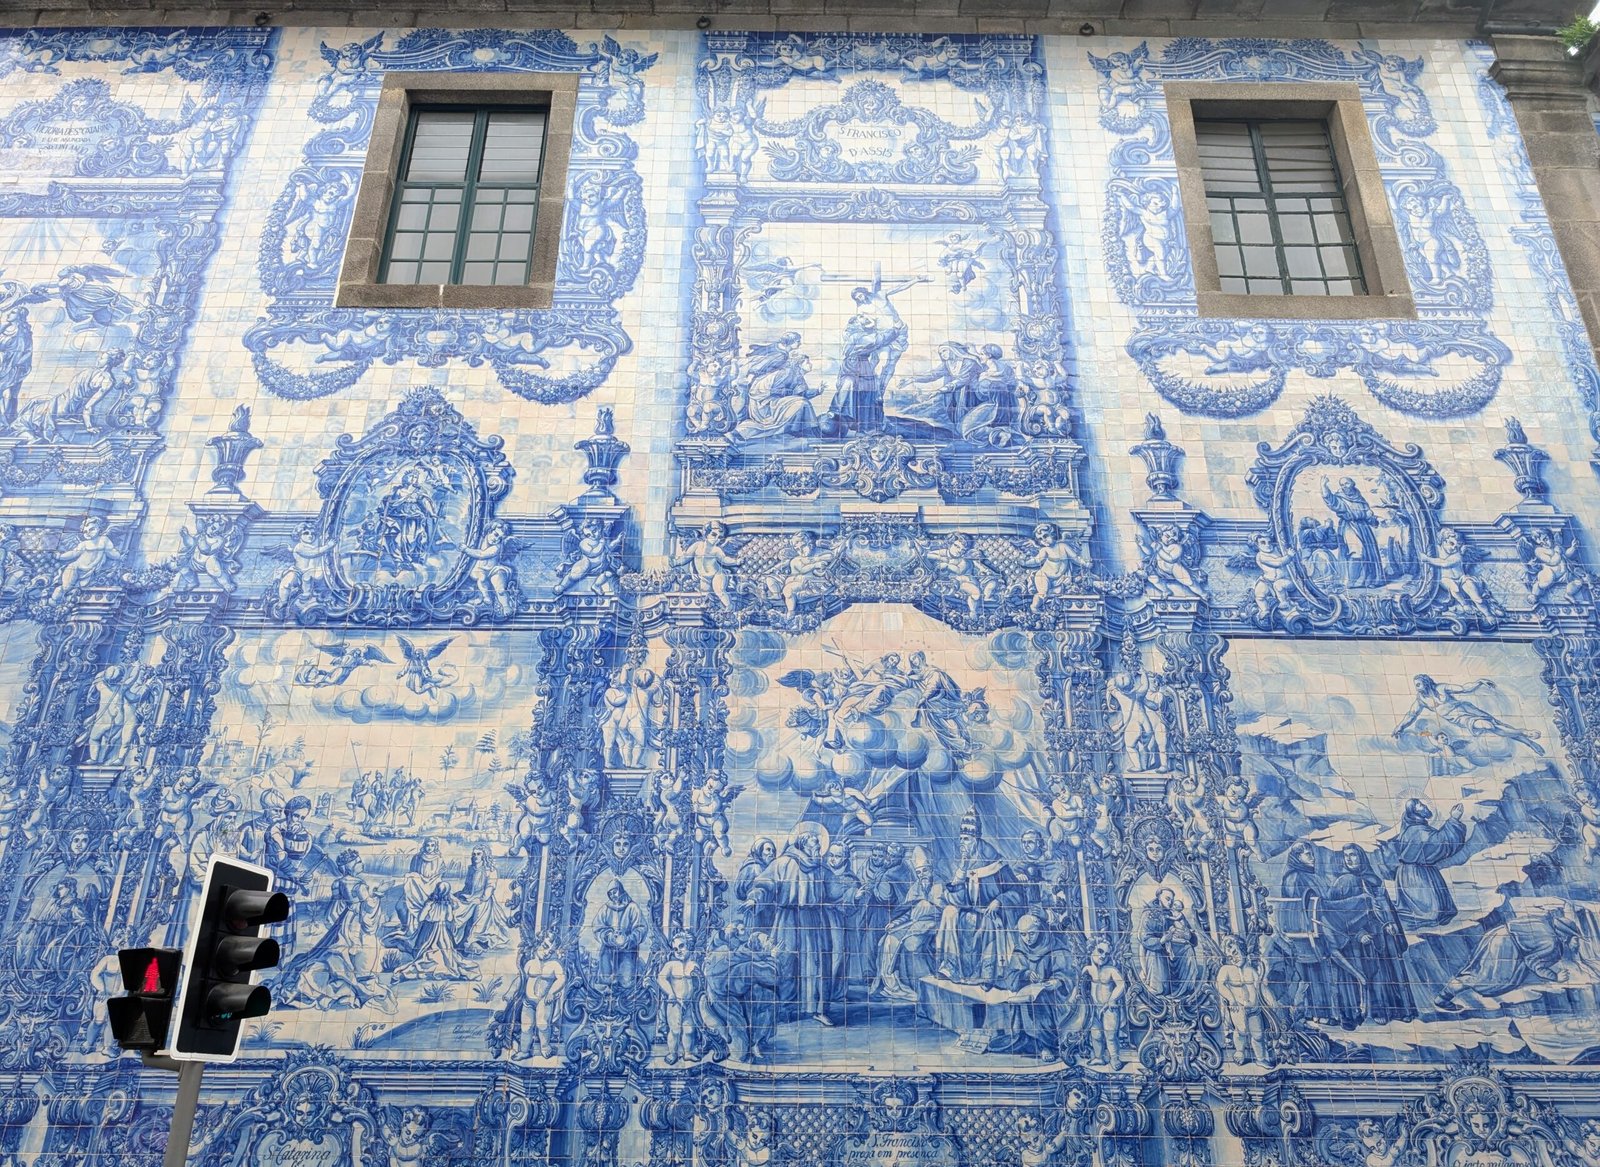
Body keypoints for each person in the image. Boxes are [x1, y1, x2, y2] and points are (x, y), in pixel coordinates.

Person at [747, 828, 837, 1024]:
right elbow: (764, 883)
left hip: (814, 919)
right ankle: (785, 1008)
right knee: (785, 961)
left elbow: (835, 889)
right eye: (814, 843)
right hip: (787, 918)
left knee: (817, 963)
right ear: (803, 844)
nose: (819, 847)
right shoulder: (784, 863)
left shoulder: (820, 868)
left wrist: (853, 895)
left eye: (818, 843)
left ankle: (817, 1009)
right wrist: (755, 899)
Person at [1323, 843, 1415, 1023]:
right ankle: (1379, 1012)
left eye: (1353, 855)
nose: (1349, 859)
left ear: (1361, 857)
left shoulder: (1374, 879)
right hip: (1359, 939)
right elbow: (1336, 915)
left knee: (1393, 971)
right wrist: (1358, 933)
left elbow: (1385, 906)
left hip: (1383, 933)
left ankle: (1402, 1010)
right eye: (1346, 856)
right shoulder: (1343, 882)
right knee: (1375, 973)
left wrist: (1390, 923)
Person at [935, 811, 1023, 985]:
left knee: (986, 924)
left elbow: (1017, 892)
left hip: (992, 914)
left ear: (976, 840)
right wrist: (962, 866)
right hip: (970, 912)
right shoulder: (966, 863)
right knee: (949, 912)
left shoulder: (996, 865)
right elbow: (958, 898)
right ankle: (951, 967)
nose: (962, 842)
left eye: (966, 839)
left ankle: (987, 974)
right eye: (961, 838)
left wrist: (999, 901)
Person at [1434, 904, 1583, 1009]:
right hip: (1505, 947)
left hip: (1496, 934)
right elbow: (1534, 963)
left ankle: (1443, 997)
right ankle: (1442, 999)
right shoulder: (1551, 943)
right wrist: (1555, 977)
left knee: (1474, 972)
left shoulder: (1543, 922)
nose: (1576, 943)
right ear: (1565, 936)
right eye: (1575, 938)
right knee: (1483, 980)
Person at [984, 914, 1076, 1060]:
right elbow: (1010, 976)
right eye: (1023, 934)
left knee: (1041, 999)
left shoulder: (1055, 946)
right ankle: (1030, 1040)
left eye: (1031, 933)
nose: (1028, 938)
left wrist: (1057, 981)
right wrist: (1025, 974)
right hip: (1026, 994)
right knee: (1019, 999)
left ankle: (1047, 1044)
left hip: (1053, 996)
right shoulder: (1020, 950)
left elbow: (1069, 973)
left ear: (1039, 929)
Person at [390, 839, 477, 981]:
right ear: (424, 846)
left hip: (432, 906)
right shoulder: (417, 858)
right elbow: (413, 873)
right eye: (428, 845)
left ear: (435, 847)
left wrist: (431, 903)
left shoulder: (438, 860)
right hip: (421, 890)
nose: (430, 848)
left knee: (433, 948)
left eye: (432, 845)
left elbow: (437, 880)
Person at [1379, 798, 1468, 928]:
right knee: (1431, 913)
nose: (1424, 806)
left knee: (1442, 911)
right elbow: (1439, 843)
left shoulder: (1417, 827)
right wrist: (1453, 820)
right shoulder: (1416, 831)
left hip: (1420, 871)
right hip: (1415, 876)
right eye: (1420, 805)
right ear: (1414, 812)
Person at [1215, 935, 1271, 1064]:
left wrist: (1269, 1000)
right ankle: (1240, 1051)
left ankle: (1261, 1059)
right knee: (1241, 1031)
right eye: (1230, 957)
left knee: (1258, 1035)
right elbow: (1220, 985)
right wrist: (1231, 998)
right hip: (1237, 1007)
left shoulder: (1251, 971)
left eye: (1235, 953)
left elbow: (1261, 988)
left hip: (1254, 1008)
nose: (1234, 958)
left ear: (1243, 950)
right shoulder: (1226, 970)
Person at [1322, 477, 1383, 587]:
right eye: (1342, 484)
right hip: (1349, 526)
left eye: (1346, 483)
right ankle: (1351, 581)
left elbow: (1368, 514)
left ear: (1352, 484)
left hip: (1363, 528)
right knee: (1356, 551)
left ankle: (1367, 580)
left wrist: (1372, 518)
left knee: (1367, 553)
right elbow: (1330, 500)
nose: (1344, 486)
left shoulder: (1359, 498)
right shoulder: (1340, 497)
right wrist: (1324, 486)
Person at [1137, 887, 1199, 995]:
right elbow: (1144, 938)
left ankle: (1186, 988)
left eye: (1171, 900)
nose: (1170, 902)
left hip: (1173, 946)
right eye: (1167, 899)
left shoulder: (1173, 913)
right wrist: (1162, 940)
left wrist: (1189, 936)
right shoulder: (1149, 913)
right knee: (1161, 987)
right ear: (1159, 897)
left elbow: (1188, 931)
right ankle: (1157, 988)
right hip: (1157, 949)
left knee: (1188, 949)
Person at [517, 934, 567, 1059]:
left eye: (550, 951)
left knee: (542, 1024)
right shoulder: (529, 964)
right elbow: (522, 980)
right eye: (544, 946)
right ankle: (524, 1051)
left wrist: (551, 992)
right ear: (537, 944)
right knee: (526, 1026)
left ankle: (545, 1047)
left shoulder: (554, 965)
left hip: (544, 1000)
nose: (546, 953)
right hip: (528, 1001)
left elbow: (561, 979)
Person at [657, 933, 704, 1064]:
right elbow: (661, 978)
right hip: (674, 1002)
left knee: (689, 1029)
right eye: (675, 949)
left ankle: (687, 1053)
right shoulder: (671, 964)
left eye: (681, 946)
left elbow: (699, 983)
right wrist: (670, 993)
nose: (678, 951)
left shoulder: (694, 965)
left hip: (690, 1004)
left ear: (689, 945)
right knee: (675, 1030)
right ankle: (673, 1053)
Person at [592, 880, 647, 987]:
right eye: (610, 894)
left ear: (621, 890)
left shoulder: (632, 907)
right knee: (606, 980)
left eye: (615, 892)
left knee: (626, 982)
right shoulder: (605, 908)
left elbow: (641, 927)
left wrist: (629, 939)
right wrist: (608, 937)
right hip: (608, 950)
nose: (613, 896)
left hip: (627, 949)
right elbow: (597, 927)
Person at [1083, 939, 1125, 1067]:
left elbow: (1121, 984)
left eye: (1106, 954)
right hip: (1093, 1008)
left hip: (1109, 1008)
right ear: (1092, 949)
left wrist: (1112, 999)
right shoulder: (1087, 969)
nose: (1103, 956)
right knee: (1096, 1034)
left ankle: (1115, 1059)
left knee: (1110, 1035)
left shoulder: (1110, 970)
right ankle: (1098, 1057)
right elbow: (1080, 987)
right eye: (1100, 951)